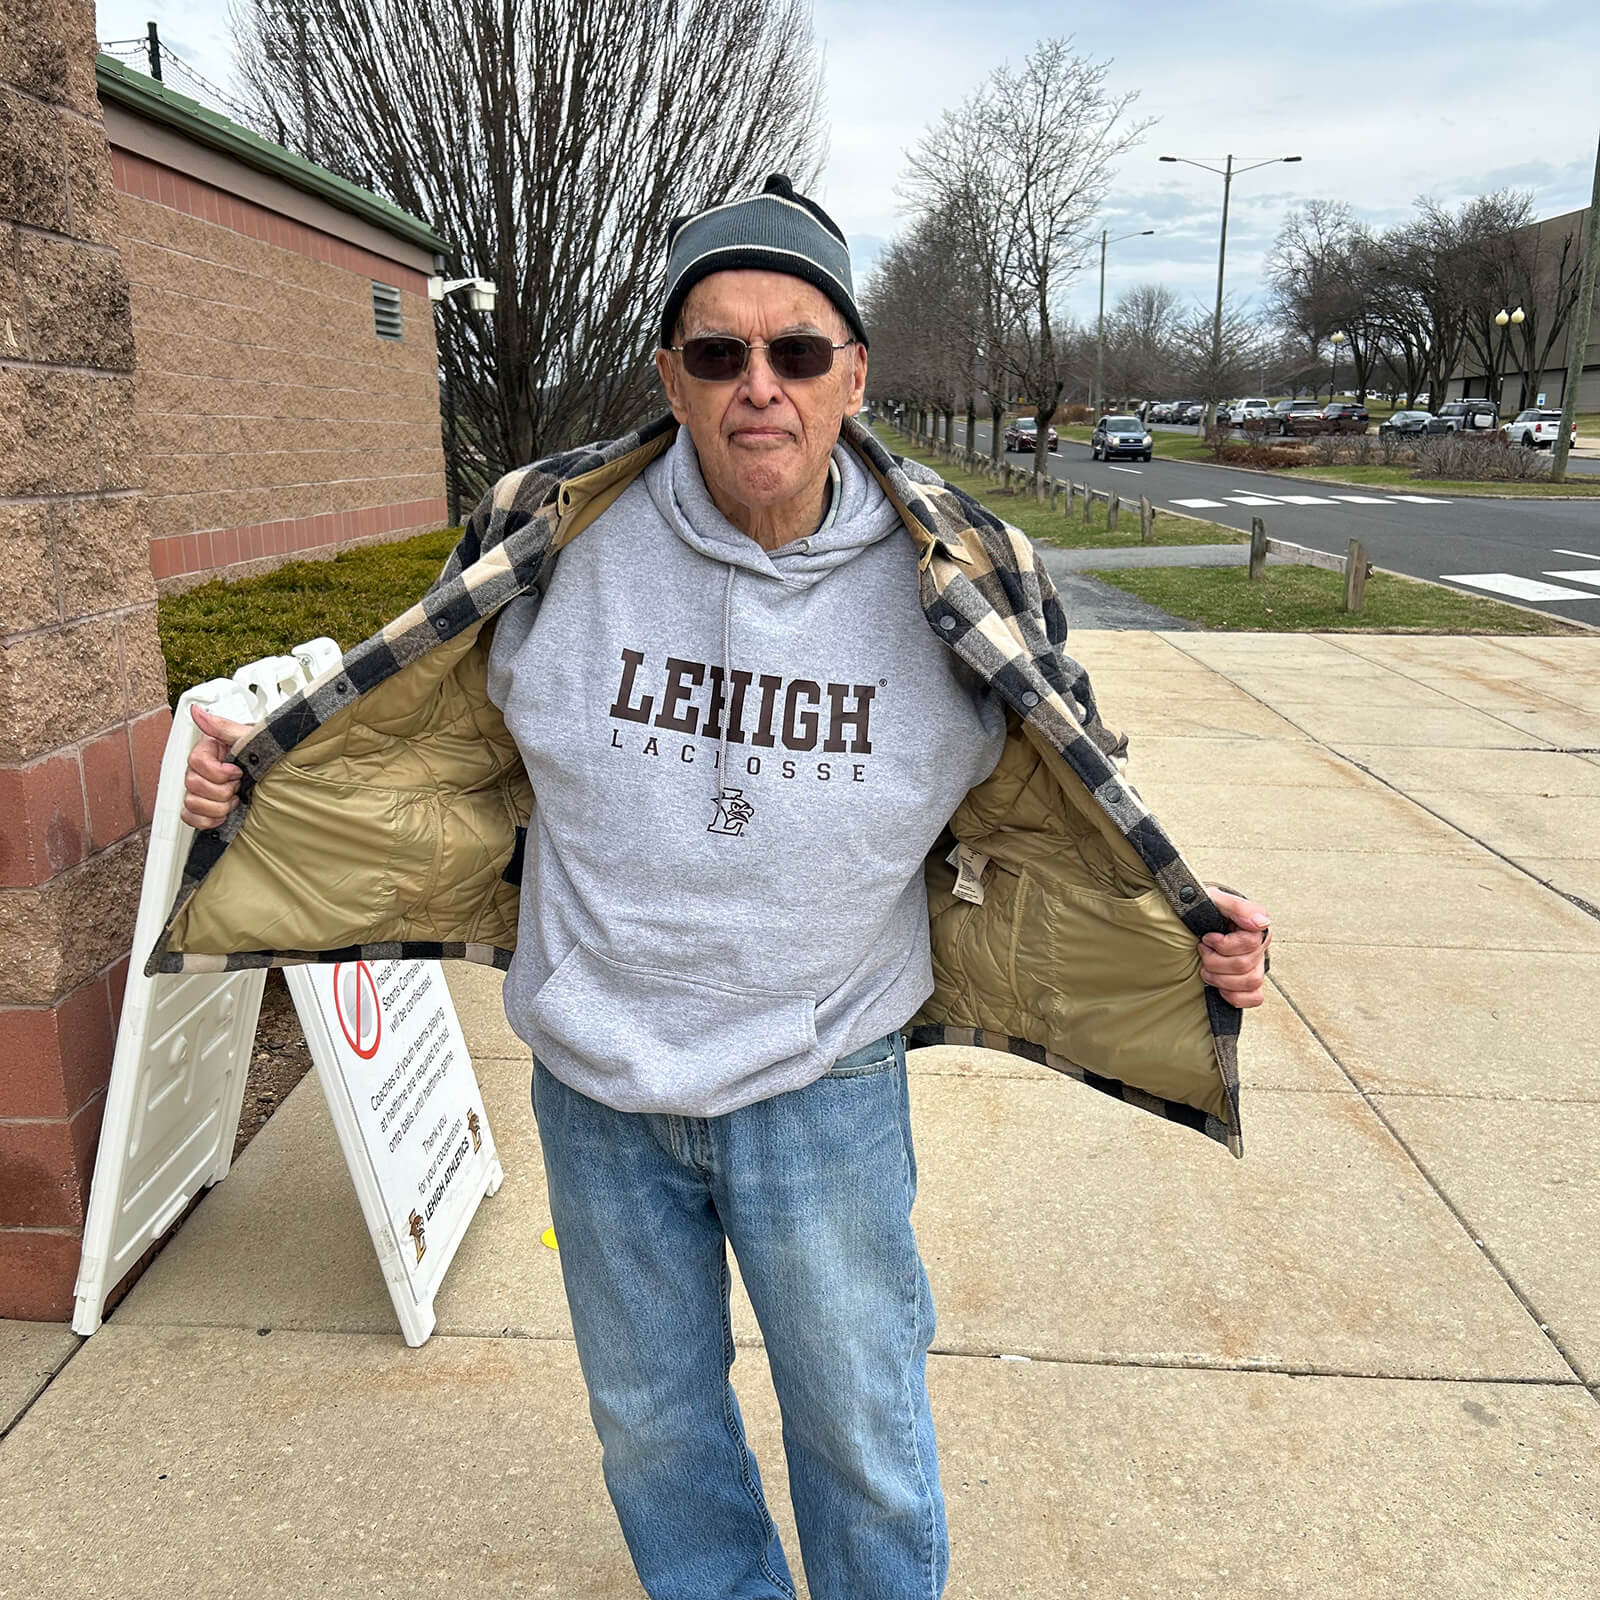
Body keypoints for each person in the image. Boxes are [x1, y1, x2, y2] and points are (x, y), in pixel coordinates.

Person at [171, 174, 1269, 1600]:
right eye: (720, 351)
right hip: (598, 1083)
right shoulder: (544, 535)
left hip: (825, 1081)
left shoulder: (968, 571)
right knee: (653, 1431)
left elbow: (1077, 803)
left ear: (853, 374)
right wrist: (260, 782)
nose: (762, 384)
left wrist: (1188, 920)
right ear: (671, 377)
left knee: (862, 1437)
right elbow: (425, 745)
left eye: (797, 350)